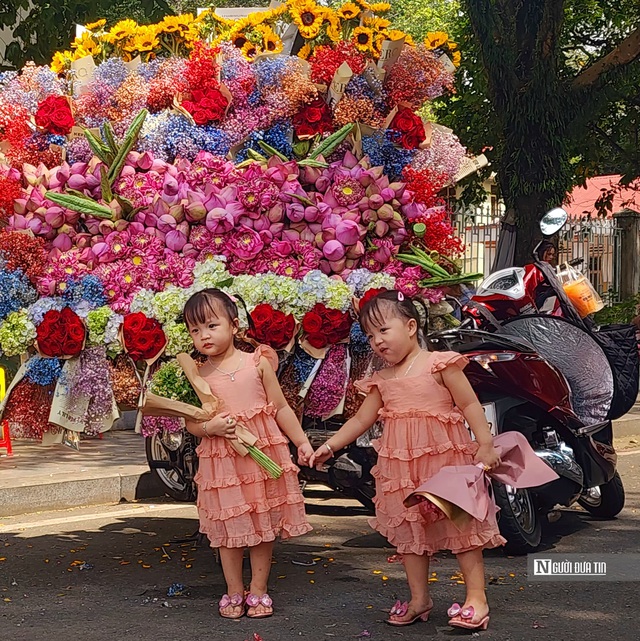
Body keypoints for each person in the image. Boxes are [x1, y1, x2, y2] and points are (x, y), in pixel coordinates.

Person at [309, 290, 505, 631]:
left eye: (384, 330)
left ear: (411, 326)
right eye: (370, 336)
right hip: (401, 470)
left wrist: (485, 445)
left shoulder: (439, 364)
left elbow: (470, 405)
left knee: (463, 530)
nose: (377, 341)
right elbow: (360, 421)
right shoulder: (381, 380)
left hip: (446, 463)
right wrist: (331, 445)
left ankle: (477, 597)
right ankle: (419, 599)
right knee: (410, 535)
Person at [183, 288, 313, 620]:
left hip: (261, 453)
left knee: (262, 524)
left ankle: (258, 589)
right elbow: (191, 422)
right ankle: (232, 590)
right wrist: (209, 428)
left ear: (235, 325)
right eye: (195, 330)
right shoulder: (198, 375)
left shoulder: (257, 364)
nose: (203, 335)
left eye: (211, 326)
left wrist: (301, 442)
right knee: (228, 528)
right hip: (222, 461)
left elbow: (280, 408)